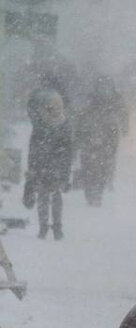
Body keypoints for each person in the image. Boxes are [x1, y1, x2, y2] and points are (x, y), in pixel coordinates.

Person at [25, 89, 73, 240]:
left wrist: (64, 171)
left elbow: (67, 151)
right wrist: (32, 170)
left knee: (51, 195)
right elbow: (33, 150)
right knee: (45, 195)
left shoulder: (59, 126)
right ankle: (45, 227)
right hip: (43, 165)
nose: (53, 111)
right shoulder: (41, 126)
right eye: (50, 107)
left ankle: (54, 227)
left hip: (54, 165)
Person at [76, 76, 129, 206]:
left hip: (100, 135)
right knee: (103, 162)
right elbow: (123, 114)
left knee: (95, 163)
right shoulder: (115, 99)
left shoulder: (96, 99)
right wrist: (124, 128)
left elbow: (81, 116)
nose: (104, 90)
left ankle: (96, 188)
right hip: (103, 135)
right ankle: (101, 185)